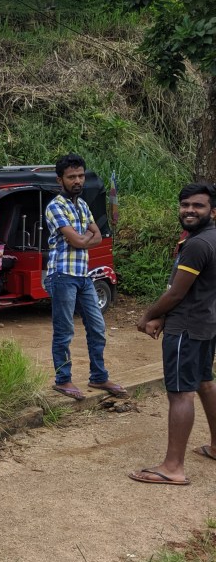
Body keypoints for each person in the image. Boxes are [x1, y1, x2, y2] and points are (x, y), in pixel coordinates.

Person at [130, 183, 216, 485]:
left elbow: (177, 293)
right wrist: (164, 315)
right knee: (204, 382)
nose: (189, 210)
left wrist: (148, 316)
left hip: (186, 329)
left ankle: (173, 467)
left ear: (213, 211)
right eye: (185, 205)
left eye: (198, 205)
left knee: (180, 393)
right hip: (206, 323)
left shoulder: (197, 244)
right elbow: (192, 289)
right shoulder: (209, 238)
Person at [45, 153, 126, 401]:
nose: (78, 181)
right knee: (64, 330)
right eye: (71, 177)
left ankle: (99, 376)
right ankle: (63, 380)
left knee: (97, 327)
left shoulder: (82, 205)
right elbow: (80, 240)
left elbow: (97, 236)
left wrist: (83, 239)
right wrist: (84, 239)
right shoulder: (55, 206)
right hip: (62, 275)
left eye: (80, 176)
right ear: (60, 180)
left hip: (83, 275)